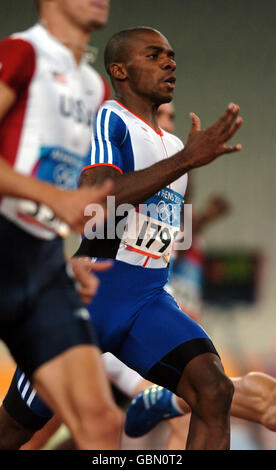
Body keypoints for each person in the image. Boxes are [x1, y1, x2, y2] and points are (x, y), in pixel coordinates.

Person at [0, 26, 243, 450]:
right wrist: (189, 157)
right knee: (17, 429)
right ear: (120, 70)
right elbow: (99, 203)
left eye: (171, 56)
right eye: (154, 55)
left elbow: (166, 232)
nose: (169, 63)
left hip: (149, 298)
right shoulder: (111, 116)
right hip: (96, 295)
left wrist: (192, 186)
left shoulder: (171, 143)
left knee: (215, 390)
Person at [0, 0, 125, 450]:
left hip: (42, 266)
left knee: (102, 425)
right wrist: (56, 199)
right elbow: (53, 191)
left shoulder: (94, 88)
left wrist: (54, 255)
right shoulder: (22, 54)